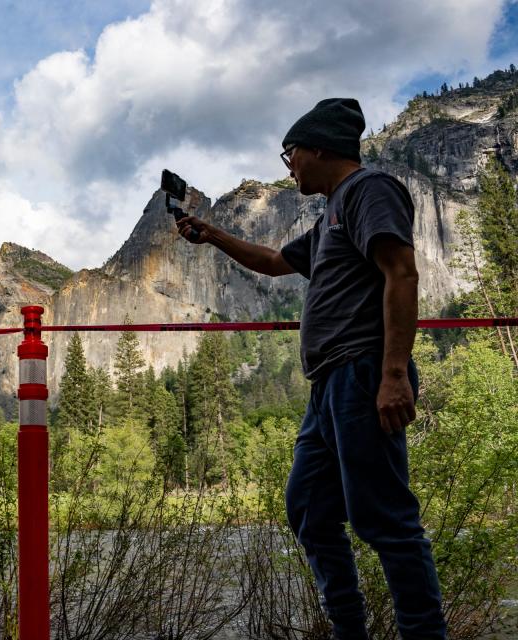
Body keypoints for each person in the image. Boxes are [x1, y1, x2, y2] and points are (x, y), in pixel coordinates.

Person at [175, 98, 446, 639]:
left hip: (364, 373)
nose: (290, 164)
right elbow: (276, 263)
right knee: (309, 512)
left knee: (385, 520)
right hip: (328, 388)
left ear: (319, 147)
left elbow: (402, 273)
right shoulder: (331, 216)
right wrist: (212, 235)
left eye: (291, 153)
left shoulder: (371, 190)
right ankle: (351, 631)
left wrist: (394, 373)